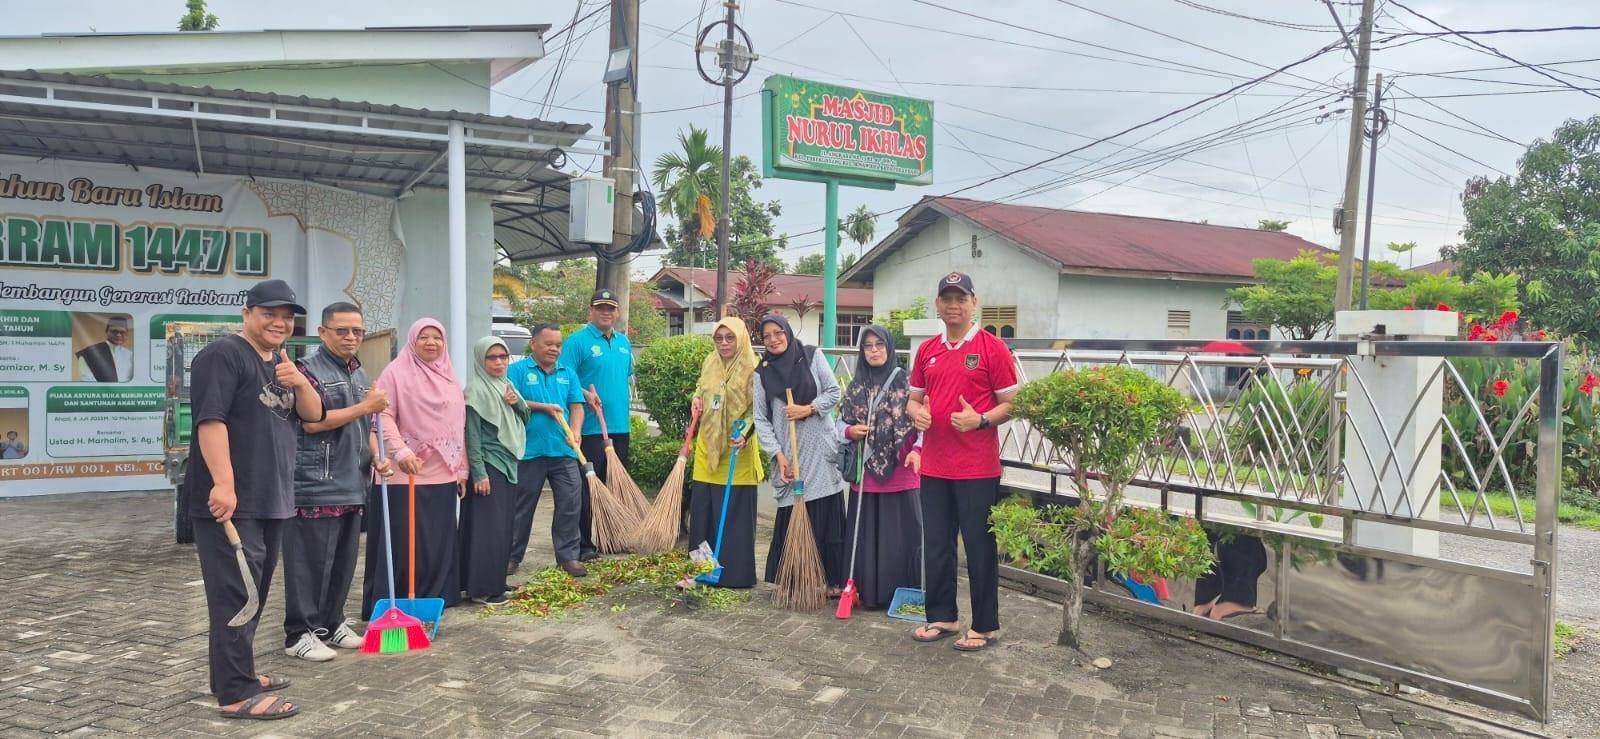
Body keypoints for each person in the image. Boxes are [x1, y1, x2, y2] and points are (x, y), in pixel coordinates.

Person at [182, 278, 323, 720]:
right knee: (236, 596)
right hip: (234, 502)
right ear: (247, 314)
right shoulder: (222, 356)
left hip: (271, 496)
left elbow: (313, 416)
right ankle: (236, 693)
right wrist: (223, 484)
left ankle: (234, 674)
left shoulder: (281, 361)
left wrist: (299, 382)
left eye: (286, 317)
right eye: (269, 314)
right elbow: (210, 421)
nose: (279, 323)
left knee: (253, 594)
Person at [907, 272, 1018, 653]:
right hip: (934, 465)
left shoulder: (992, 348)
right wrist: (918, 414)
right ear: (937, 304)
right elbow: (913, 400)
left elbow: (1012, 404)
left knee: (979, 546)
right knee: (937, 544)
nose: (953, 305)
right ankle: (943, 617)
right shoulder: (927, 350)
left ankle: (985, 625)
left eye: (961, 298)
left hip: (977, 468)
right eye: (947, 299)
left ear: (974, 303)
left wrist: (981, 419)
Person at [281, 302, 388, 662]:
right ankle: (300, 633)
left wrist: (377, 456)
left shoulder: (358, 372)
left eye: (357, 331)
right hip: (317, 482)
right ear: (323, 332)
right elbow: (313, 422)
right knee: (309, 564)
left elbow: (364, 426)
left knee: (343, 561)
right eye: (342, 330)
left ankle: (331, 623)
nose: (351, 337)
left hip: (353, 481)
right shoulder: (306, 370)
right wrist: (366, 407)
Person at [363, 318, 467, 618]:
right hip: (402, 472)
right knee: (403, 542)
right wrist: (401, 450)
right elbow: (382, 417)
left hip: (442, 472)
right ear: (412, 340)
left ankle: (434, 596)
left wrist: (461, 469)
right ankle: (394, 601)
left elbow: (457, 425)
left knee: (436, 538)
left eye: (437, 337)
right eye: (424, 337)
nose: (431, 343)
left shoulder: (449, 376)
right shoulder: (395, 373)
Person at [752, 314, 847, 594]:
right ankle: (795, 579)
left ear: (788, 332)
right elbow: (760, 418)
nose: (773, 339)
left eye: (778, 332)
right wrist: (777, 454)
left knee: (825, 511)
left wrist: (809, 409)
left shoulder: (812, 356)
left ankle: (831, 580)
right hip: (789, 453)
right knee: (792, 510)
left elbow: (833, 392)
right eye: (767, 336)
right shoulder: (762, 373)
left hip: (820, 449)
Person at [838, 326, 922, 609]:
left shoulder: (907, 384)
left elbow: (924, 423)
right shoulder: (856, 386)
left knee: (900, 535)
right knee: (867, 534)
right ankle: (869, 594)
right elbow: (839, 424)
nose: (873, 350)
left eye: (879, 344)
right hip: (866, 473)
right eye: (867, 346)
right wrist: (850, 432)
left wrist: (918, 450)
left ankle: (904, 595)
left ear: (889, 347)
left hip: (902, 470)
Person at [686, 317, 765, 589]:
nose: (724, 343)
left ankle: (734, 576)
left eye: (730, 338)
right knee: (703, 514)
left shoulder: (754, 367)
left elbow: (759, 409)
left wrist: (746, 433)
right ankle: (702, 570)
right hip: (707, 448)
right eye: (719, 338)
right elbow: (701, 388)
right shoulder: (710, 361)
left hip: (736, 450)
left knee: (733, 517)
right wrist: (696, 398)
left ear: (741, 338)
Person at [506, 324, 589, 578]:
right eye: (549, 344)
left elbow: (576, 406)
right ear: (534, 344)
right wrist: (544, 407)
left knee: (570, 503)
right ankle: (511, 557)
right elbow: (510, 399)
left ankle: (568, 557)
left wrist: (576, 431)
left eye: (558, 345)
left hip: (563, 451)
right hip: (529, 451)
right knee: (522, 507)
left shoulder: (568, 373)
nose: (554, 349)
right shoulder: (517, 370)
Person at [559, 290, 634, 562]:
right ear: (590, 310)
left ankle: (612, 538)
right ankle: (585, 543)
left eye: (611, 308)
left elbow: (625, 377)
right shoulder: (577, 342)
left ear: (617, 312)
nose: (606, 312)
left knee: (615, 487)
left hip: (619, 427)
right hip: (589, 430)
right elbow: (563, 379)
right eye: (600, 307)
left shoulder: (624, 343)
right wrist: (584, 394)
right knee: (589, 489)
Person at [460, 336, 529, 604]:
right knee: (487, 529)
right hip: (490, 466)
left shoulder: (506, 385)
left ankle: (495, 579)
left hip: (507, 463)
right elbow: (472, 436)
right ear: (481, 360)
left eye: (503, 357)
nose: (499, 362)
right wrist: (479, 473)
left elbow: (525, 417)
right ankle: (483, 589)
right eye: (492, 357)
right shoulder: (476, 391)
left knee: (502, 526)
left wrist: (516, 402)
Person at [76, 315, 133, 382]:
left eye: (122, 332)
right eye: (114, 331)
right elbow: (85, 380)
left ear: (126, 334)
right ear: (107, 331)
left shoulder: (130, 354)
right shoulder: (89, 353)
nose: (118, 335)